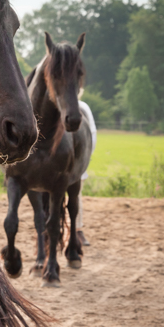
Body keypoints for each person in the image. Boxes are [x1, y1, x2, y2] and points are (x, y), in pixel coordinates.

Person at [77, 99, 97, 246]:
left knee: (76, 197)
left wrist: (84, 160)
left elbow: (92, 134)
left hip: (76, 165)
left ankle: (77, 230)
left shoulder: (82, 107)